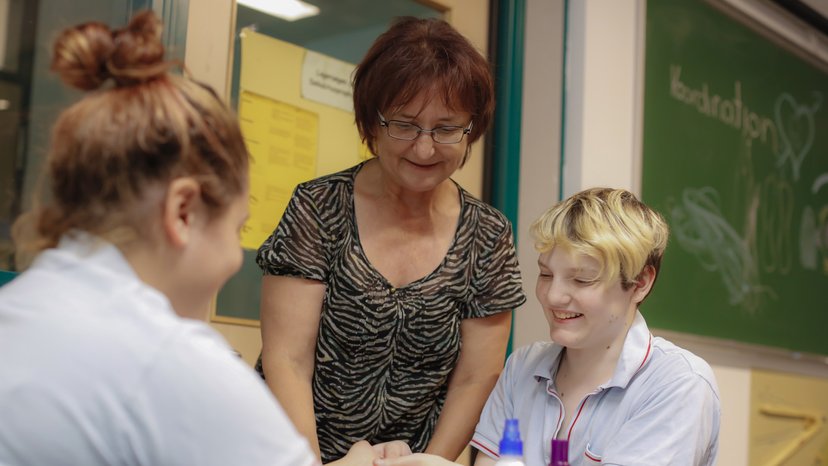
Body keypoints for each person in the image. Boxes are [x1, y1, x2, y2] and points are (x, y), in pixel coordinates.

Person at [0, 11, 403, 466]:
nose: (235, 259)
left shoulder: (16, 312)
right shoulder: (170, 362)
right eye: (236, 228)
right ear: (183, 211)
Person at [256, 16, 526, 463]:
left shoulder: (488, 235)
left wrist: (429, 463)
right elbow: (287, 359)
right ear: (371, 123)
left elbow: (477, 377)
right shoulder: (318, 207)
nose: (424, 149)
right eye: (404, 125)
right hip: (288, 452)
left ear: (471, 129)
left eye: (445, 129)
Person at [372, 188, 721, 466]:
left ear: (641, 282)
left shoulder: (677, 384)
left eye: (582, 280)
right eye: (545, 273)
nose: (553, 296)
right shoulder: (522, 369)